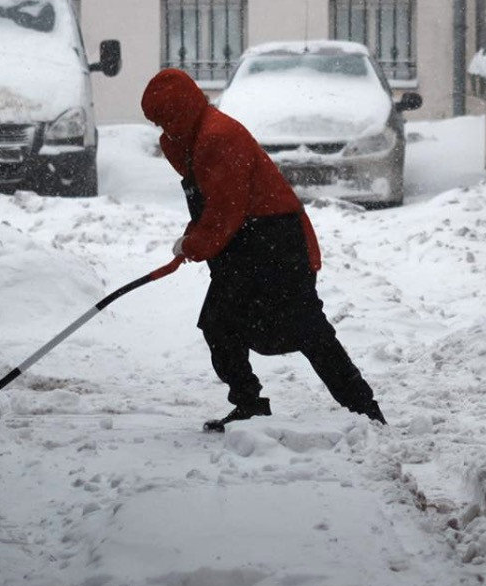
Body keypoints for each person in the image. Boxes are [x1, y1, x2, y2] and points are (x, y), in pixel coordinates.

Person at [141, 67, 386, 431]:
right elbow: (211, 201)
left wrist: (195, 243)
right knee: (220, 324)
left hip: (275, 242)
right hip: (242, 244)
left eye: (166, 119)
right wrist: (195, 236)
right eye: (157, 122)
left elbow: (225, 209)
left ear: (183, 111)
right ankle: (249, 404)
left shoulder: (217, 136)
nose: (163, 129)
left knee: (308, 330)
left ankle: (365, 410)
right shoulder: (191, 138)